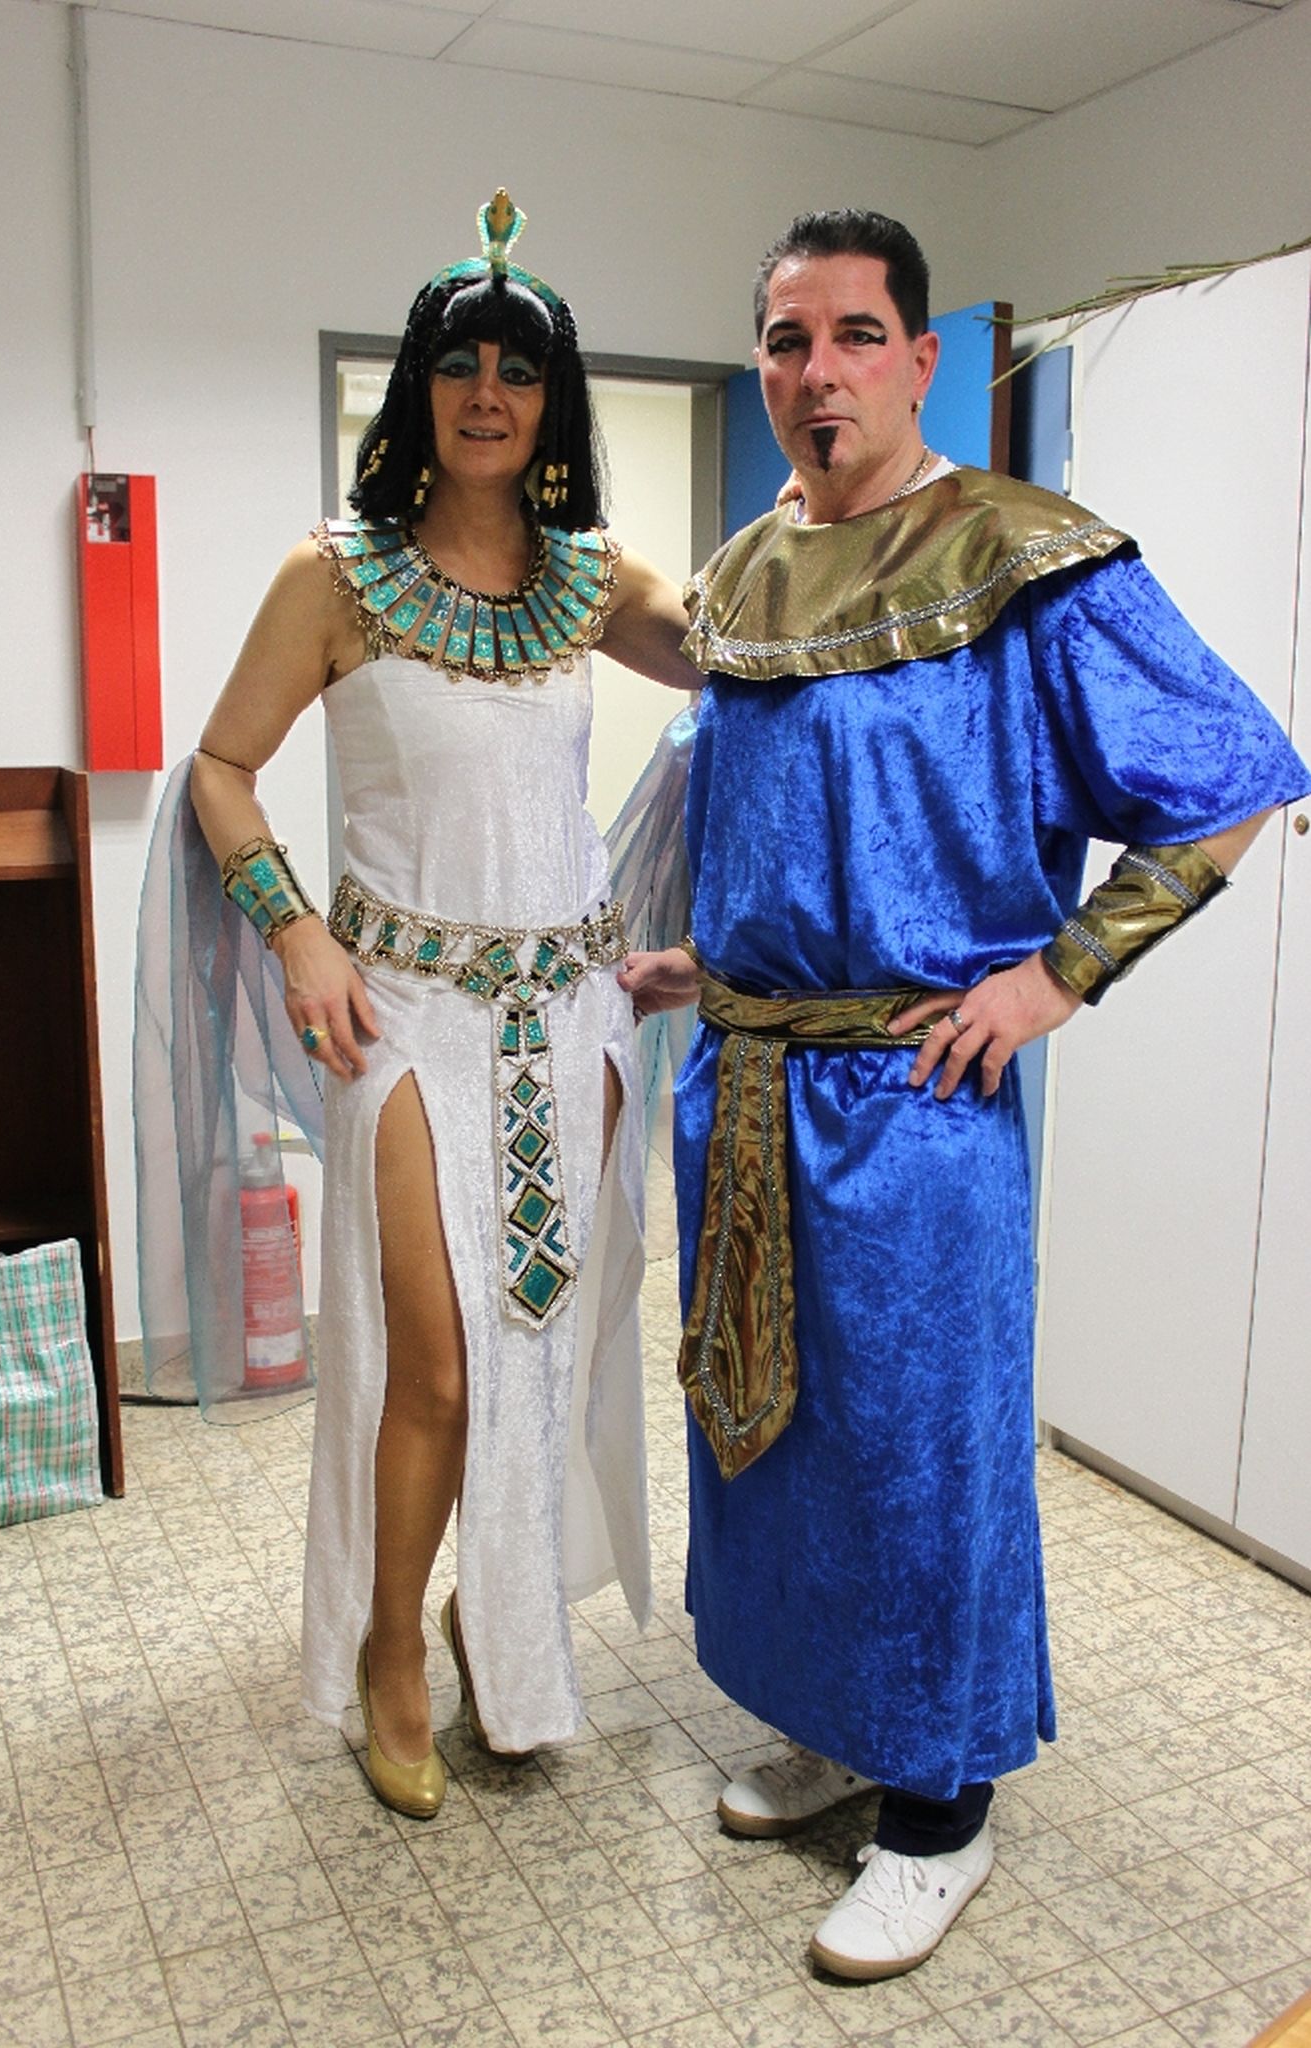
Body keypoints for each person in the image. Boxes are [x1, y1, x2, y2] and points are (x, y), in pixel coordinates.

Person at [618, 207, 1310, 1979]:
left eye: (855, 335)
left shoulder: (1023, 554)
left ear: (920, 358)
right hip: (749, 1086)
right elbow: (779, 822)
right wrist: (714, 962)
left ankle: (940, 1807)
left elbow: (1231, 776)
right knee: (773, 1443)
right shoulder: (738, 574)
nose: (818, 372)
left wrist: (1054, 974)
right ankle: (835, 1724)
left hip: (914, 1109)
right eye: (786, 339)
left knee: (916, 1454)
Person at [176, 191, 694, 1818]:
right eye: (460, 364)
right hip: (405, 1019)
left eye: (519, 371)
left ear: (552, 402)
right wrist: (294, 935)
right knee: (439, 1365)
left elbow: (741, 661)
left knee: (544, 1353)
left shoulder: (592, 577)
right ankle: (389, 1644)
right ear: (417, 388)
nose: (488, 393)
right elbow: (221, 768)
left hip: (574, 1017)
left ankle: (504, 1624)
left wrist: (834, 545)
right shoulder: (332, 576)